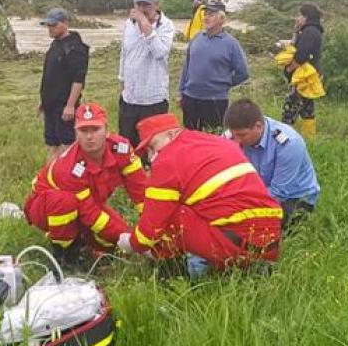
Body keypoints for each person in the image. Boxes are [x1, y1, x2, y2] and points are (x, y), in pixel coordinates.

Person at [116, 113, 282, 274]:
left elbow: (151, 227)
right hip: (271, 241)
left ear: (172, 134)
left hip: (235, 246)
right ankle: (251, 264)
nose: (152, 156)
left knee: (170, 212)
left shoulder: (167, 160)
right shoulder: (215, 142)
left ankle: (169, 271)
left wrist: (132, 243)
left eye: (153, 147)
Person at [24, 102, 147, 270]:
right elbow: (91, 214)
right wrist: (126, 238)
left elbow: (141, 190)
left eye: (95, 129)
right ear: (75, 133)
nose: (90, 137)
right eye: (84, 130)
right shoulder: (69, 168)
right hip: (44, 208)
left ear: (106, 129)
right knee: (64, 202)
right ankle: (65, 255)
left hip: (88, 204)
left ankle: (83, 241)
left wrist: (150, 227)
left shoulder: (122, 149)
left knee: (112, 241)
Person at [223, 98, 320, 230]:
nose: (237, 141)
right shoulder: (232, 136)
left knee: (254, 228)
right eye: (234, 136)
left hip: (293, 197)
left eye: (242, 135)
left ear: (258, 126)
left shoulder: (288, 144)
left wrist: (238, 202)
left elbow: (278, 193)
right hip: (251, 192)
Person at [117, 0, 176, 150]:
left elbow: (160, 52)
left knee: (154, 146)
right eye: (138, 5)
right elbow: (124, 53)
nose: (142, 9)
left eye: (146, 5)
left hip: (153, 99)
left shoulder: (167, 26)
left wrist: (144, 24)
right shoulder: (129, 24)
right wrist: (121, 81)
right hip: (130, 98)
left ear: (156, 4)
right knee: (127, 146)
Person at [178, 0, 249, 132]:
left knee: (212, 138)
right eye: (205, 14)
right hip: (190, 98)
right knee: (190, 137)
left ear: (221, 19)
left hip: (215, 101)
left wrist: (224, 83)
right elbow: (186, 67)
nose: (206, 17)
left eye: (211, 14)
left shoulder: (231, 44)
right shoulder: (197, 38)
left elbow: (243, 73)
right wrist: (181, 92)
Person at [37, 7, 89, 159]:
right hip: (50, 104)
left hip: (64, 106)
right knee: (51, 143)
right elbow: (50, 76)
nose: (50, 29)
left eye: (53, 25)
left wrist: (70, 105)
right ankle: (49, 178)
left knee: (67, 144)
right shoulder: (55, 45)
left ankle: (67, 178)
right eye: (48, 25)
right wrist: (43, 101)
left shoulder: (76, 48)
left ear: (65, 24)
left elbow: (78, 80)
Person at [282, 4, 324, 139]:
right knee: (307, 107)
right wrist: (296, 31)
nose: (297, 18)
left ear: (306, 17)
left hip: (303, 77)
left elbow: (301, 55)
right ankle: (309, 137)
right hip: (309, 76)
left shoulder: (310, 32)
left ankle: (285, 137)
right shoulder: (312, 30)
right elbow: (295, 45)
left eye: (299, 15)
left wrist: (289, 68)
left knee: (290, 106)